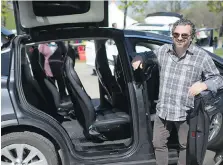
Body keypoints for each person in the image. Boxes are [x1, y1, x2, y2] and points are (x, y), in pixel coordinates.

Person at [132, 18, 223, 165]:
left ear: (191, 37)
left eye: (184, 35)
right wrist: (139, 57)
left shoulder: (201, 57)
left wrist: (204, 85)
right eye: (176, 34)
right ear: (172, 35)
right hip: (164, 111)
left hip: (185, 112)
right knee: (158, 144)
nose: (179, 38)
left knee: (184, 146)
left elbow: (218, 79)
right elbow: (148, 55)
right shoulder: (163, 51)